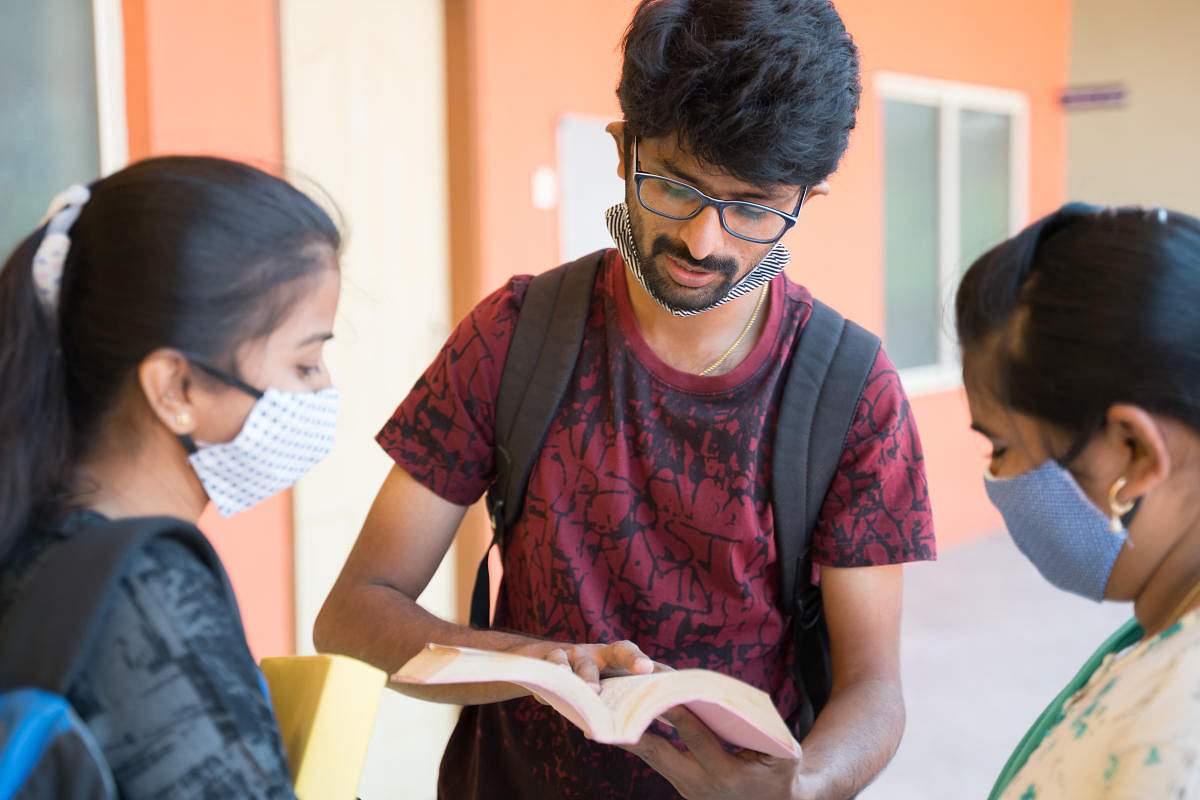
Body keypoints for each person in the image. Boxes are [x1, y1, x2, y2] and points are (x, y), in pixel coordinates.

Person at [316, 1, 934, 798]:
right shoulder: (515, 335)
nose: (705, 241)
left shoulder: (853, 392)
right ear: (621, 151)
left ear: (806, 199)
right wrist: (532, 664)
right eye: (675, 187)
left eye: (752, 207)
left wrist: (802, 787)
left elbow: (875, 690)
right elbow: (355, 614)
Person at [0, 156, 343, 798]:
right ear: (175, 387)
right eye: (306, 364)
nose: (325, 390)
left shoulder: (31, 536)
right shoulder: (145, 592)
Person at [956, 203, 1200, 799]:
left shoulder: (1165, 751)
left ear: (1134, 452)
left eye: (1002, 444)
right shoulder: (1162, 633)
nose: (995, 476)